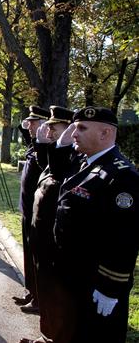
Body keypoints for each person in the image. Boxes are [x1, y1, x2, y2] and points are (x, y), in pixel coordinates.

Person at [53, 106, 138, 343]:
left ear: (105, 134)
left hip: (95, 283)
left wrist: (109, 288)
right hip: (75, 277)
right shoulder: (85, 161)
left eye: (81, 128)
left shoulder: (122, 176)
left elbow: (124, 237)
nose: (74, 133)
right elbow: (58, 169)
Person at [21, 106, 77, 343]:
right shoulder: (52, 151)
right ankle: (45, 326)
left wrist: (58, 144)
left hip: (54, 231)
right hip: (36, 220)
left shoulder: (70, 157)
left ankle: (49, 332)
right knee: (38, 269)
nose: (49, 130)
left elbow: (55, 169)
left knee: (53, 288)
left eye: (55, 127)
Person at [13, 105, 50, 313]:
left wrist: (41, 137)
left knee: (37, 256)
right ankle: (31, 291)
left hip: (37, 212)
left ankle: (38, 298)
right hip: (27, 209)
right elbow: (27, 136)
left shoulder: (46, 148)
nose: (30, 126)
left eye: (34, 123)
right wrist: (26, 129)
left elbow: (44, 162)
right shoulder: (35, 144)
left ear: (45, 125)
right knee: (29, 253)